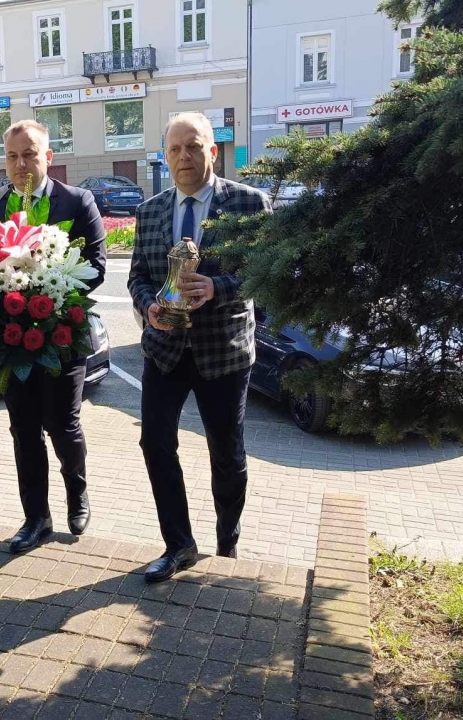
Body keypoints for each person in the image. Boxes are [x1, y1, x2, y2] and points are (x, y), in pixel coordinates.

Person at [126, 112, 273, 583]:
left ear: (212, 151)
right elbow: (137, 277)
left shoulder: (249, 203)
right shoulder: (150, 211)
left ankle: (227, 542)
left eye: (193, 147)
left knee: (226, 451)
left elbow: (264, 272)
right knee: (155, 443)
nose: (184, 157)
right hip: (165, 348)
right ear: (165, 156)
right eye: (175, 149)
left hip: (222, 351)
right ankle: (178, 544)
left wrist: (218, 286)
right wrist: (149, 306)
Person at [0, 119, 107, 555]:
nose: (21, 163)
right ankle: (36, 518)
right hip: (9, 336)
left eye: (30, 154)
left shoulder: (77, 201)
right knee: (23, 429)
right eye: (12, 156)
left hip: (61, 334)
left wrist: (45, 285)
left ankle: (78, 494)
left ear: (48, 157)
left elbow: (98, 266)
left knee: (63, 426)